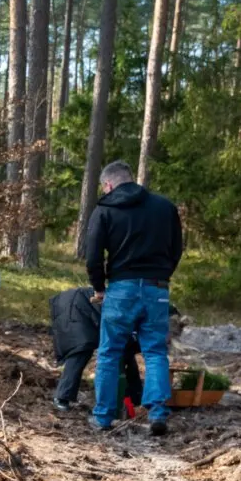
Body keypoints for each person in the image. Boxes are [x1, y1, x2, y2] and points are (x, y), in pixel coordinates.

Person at [82, 161, 184, 437]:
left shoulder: (105, 209)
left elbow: (92, 256)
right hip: (157, 288)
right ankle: (158, 413)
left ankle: (103, 416)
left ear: (109, 185)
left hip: (120, 289)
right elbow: (177, 248)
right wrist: (162, 276)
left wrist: (99, 287)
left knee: (109, 353)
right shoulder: (164, 207)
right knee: (154, 352)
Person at [49, 286, 142, 416]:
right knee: (81, 349)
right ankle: (62, 397)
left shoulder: (145, 312)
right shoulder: (142, 312)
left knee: (125, 352)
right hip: (77, 307)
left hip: (88, 306)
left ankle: (136, 397)